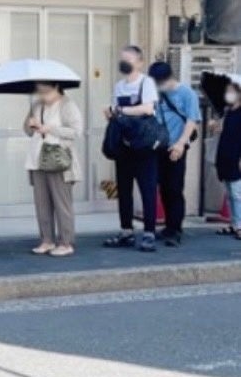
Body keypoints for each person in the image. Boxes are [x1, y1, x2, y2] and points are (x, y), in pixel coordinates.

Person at [103, 45, 161, 252]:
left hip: (144, 146)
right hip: (124, 145)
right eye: (122, 58)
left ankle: (149, 233)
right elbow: (115, 110)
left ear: (139, 62)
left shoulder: (146, 83)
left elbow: (148, 108)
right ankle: (126, 230)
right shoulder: (119, 85)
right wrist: (112, 113)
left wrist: (121, 110)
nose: (124, 62)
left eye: (128, 59)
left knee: (147, 189)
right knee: (124, 189)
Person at [25, 82, 84, 257]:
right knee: (41, 203)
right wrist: (30, 124)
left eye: (45, 89)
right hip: (38, 158)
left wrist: (51, 129)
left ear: (56, 86)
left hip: (58, 160)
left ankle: (66, 242)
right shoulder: (36, 105)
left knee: (61, 203)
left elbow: (76, 131)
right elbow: (28, 131)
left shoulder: (67, 105)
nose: (41, 93)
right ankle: (47, 240)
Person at [149, 61, 201, 246]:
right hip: (158, 147)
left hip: (176, 146)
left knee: (174, 188)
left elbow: (192, 120)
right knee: (163, 188)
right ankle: (168, 227)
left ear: (169, 77)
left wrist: (180, 144)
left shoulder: (187, 93)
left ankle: (175, 229)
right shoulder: (156, 93)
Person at [212, 75, 241, 241]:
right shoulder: (227, 111)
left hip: (236, 156)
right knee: (229, 193)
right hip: (225, 155)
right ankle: (234, 223)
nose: (228, 94)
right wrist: (217, 126)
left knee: (237, 193)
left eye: (231, 91)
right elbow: (223, 132)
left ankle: (240, 225)